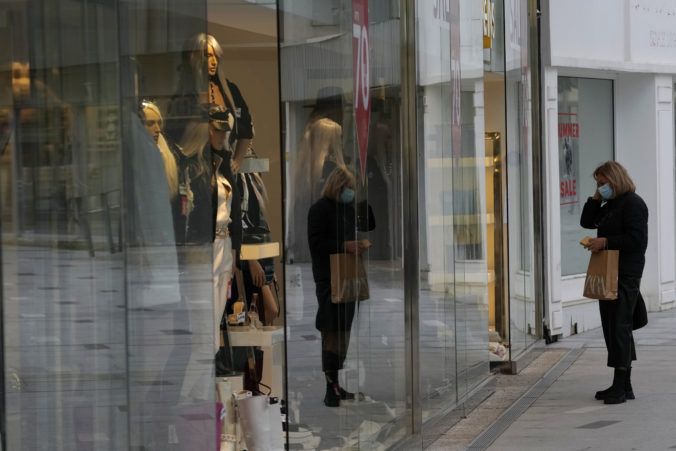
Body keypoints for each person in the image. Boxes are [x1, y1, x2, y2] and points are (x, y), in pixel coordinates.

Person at [580, 161, 648, 404]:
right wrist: (597, 196)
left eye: (603, 183)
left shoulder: (633, 204)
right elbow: (587, 221)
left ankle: (621, 385)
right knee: (614, 327)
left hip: (625, 273)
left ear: (615, 180)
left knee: (619, 326)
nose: (599, 188)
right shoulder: (612, 204)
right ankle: (623, 385)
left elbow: (636, 240)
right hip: (609, 272)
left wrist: (605, 242)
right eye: (597, 184)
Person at [307, 166, 375, 407]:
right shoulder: (319, 210)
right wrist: (345, 246)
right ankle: (330, 385)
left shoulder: (347, 208)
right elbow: (316, 245)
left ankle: (336, 383)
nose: (351, 193)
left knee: (344, 331)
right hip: (328, 278)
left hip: (347, 276)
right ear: (338, 187)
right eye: (349, 188)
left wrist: (362, 197)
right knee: (332, 331)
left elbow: (370, 223)